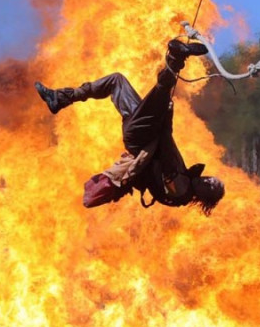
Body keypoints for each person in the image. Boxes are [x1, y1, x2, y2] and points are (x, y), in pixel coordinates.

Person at [35, 39, 226, 214]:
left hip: (142, 139)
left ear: (204, 197)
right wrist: (165, 118)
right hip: (144, 133)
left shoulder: (181, 191)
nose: (208, 180)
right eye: (212, 179)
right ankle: (61, 98)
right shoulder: (186, 178)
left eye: (211, 186)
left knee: (161, 96)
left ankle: (176, 58)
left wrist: (166, 117)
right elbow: (166, 143)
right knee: (116, 81)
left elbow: (166, 149)